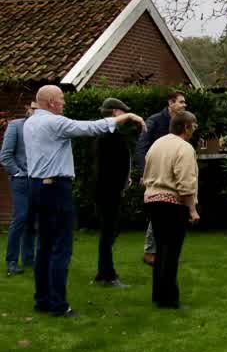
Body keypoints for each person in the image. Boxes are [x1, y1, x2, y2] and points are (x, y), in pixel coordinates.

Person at [24, 85, 145, 317]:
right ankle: (59, 306)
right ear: (50, 102)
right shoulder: (54, 123)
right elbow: (90, 127)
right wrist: (126, 117)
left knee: (45, 247)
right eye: (61, 99)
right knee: (61, 248)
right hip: (56, 188)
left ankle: (42, 300)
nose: (64, 103)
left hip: (36, 186)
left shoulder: (30, 123)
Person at [142, 110, 200, 309]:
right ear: (186, 127)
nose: (194, 129)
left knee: (160, 249)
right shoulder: (184, 148)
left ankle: (158, 295)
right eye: (194, 125)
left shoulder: (157, 144)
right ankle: (169, 299)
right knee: (171, 252)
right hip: (173, 203)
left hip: (152, 200)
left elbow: (146, 171)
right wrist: (192, 209)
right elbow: (185, 181)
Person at [135, 90, 187, 266]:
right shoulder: (155, 121)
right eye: (181, 102)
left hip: (173, 174)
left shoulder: (181, 122)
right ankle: (150, 251)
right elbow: (141, 148)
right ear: (170, 103)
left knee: (173, 213)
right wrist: (144, 173)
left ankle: (168, 251)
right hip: (156, 175)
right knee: (158, 213)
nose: (184, 105)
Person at [93, 98, 135, 287]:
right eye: (123, 112)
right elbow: (110, 168)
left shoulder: (110, 135)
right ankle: (107, 275)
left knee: (110, 232)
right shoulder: (107, 136)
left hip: (110, 190)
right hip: (108, 191)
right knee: (108, 232)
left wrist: (125, 179)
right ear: (116, 113)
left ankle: (104, 271)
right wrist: (120, 185)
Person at [1, 101, 38, 276]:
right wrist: (16, 173)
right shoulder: (15, 126)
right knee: (20, 218)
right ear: (28, 109)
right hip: (21, 180)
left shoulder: (43, 129)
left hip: (38, 179)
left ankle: (29, 258)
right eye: (34, 108)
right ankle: (11, 260)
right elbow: (6, 155)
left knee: (32, 220)